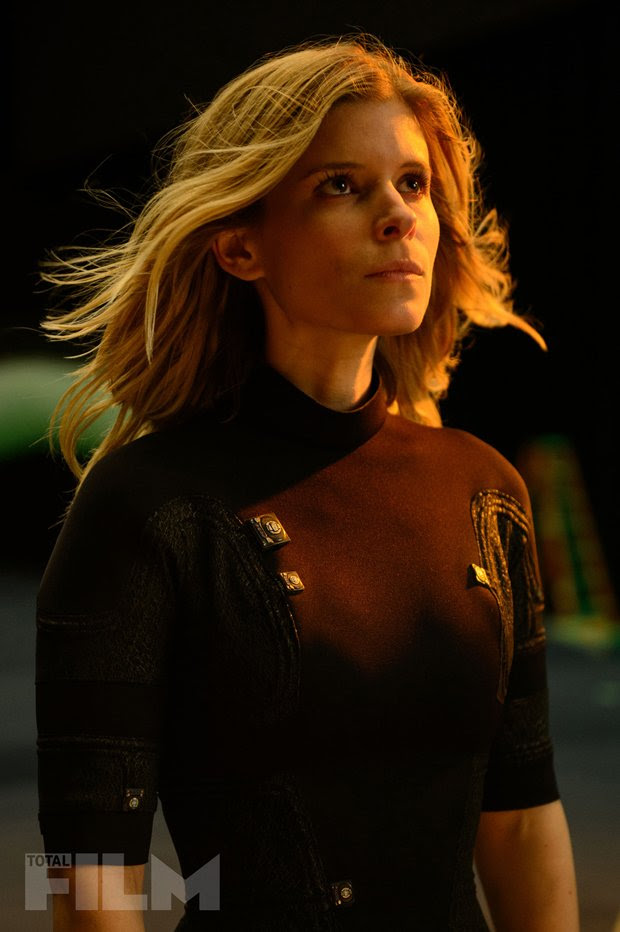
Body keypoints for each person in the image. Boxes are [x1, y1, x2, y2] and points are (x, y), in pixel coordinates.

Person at [36, 35, 579, 931]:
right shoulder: (147, 507)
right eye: (341, 186)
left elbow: (522, 818)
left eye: (413, 183)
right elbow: (87, 874)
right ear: (239, 247)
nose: (398, 215)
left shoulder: (484, 491)